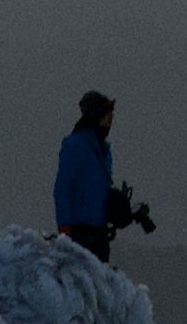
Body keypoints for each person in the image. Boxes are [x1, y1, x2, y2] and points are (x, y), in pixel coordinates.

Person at [51, 88, 152, 260]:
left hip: (99, 229)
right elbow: (62, 188)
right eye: (107, 114)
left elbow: (98, 187)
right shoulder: (76, 145)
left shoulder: (102, 149)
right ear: (96, 116)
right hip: (79, 229)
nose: (111, 119)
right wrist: (65, 227)